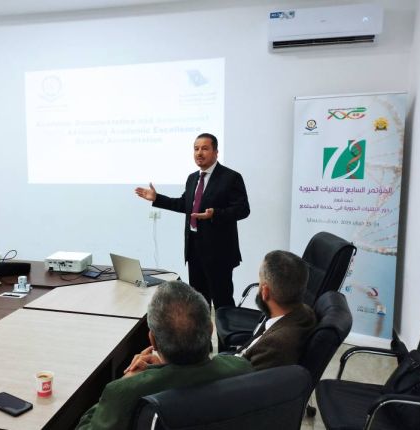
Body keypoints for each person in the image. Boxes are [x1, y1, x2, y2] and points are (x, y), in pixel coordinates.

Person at [76, 280, 253, 430]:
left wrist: (126, 380)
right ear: (211, 329)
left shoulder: (124, 393)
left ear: (152, 340)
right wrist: (161, 369)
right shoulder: (242, 370)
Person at [135, 133, 250, 309]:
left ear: (216, 152)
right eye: (196, 149)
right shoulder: (192, 178)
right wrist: (157, 198)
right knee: (198, 305)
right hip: (194, 249)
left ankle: (227, 329)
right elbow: (184, 204)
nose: (199, 153)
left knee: (223, 303)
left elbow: (243, 210)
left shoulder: (230, 177)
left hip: (219, 252)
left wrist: (215, 214)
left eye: (205, 148)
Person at [235, 250, 316, 370]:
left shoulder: (275, 345)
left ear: (265, 292)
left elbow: (243, 380)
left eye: (260, 280)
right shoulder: (305, 312)